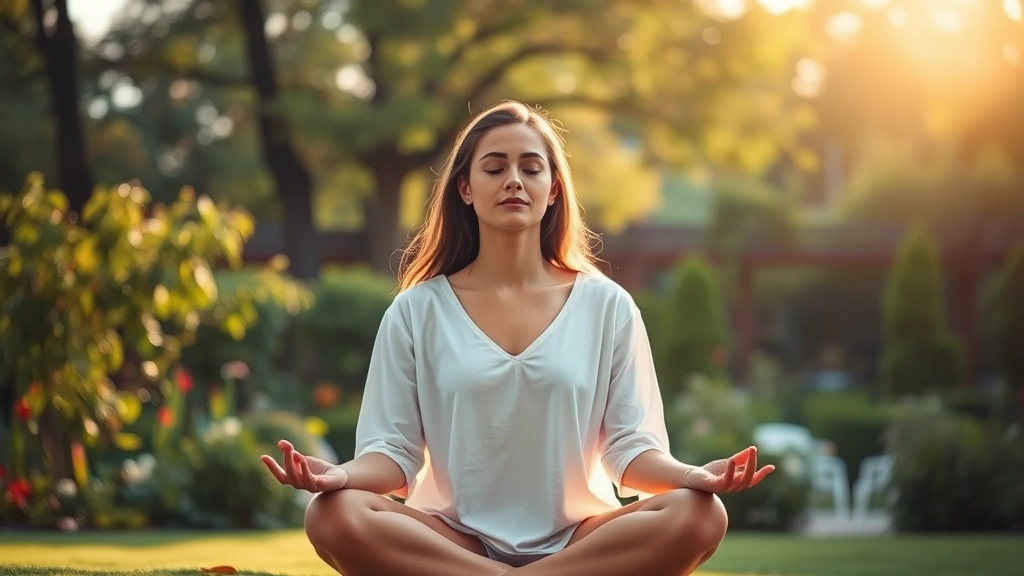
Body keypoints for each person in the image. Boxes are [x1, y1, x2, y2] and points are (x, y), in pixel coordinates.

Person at [260, 100, 774, 576]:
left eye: (531, 168)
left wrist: (692, 476)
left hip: (582, 539)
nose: (513, 180)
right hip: (454, 539)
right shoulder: (415, 311)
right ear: (465, 187)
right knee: (330, 515)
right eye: (494, 167)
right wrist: (340, 478)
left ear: (553, 189)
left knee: (701, 515)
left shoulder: (607, 305)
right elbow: (393, 454)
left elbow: (629, 448)